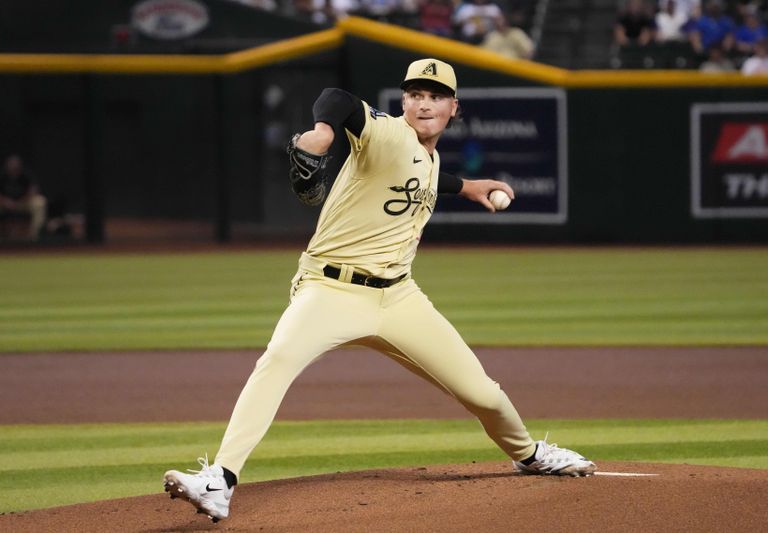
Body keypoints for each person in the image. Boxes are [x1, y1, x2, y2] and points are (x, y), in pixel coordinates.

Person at [162, 58, 597, 523]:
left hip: (399, 298)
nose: (423, 104)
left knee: (484, 394)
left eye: (435, 96)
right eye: (415, 95)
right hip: (331, 290)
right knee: (278, 362)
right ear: (404, 101)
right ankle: (219, 481)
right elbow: (339, 99)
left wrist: (466, 186)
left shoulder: (430, 159)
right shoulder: (388, 133)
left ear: (454, 107)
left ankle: (529, 454)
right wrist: (325, 133)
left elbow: (423, 178)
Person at [0, 154, 47, 241]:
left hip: (23, 203)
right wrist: (5, 202)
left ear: (20, 167)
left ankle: (35, 238)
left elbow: (33, 191)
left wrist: (21, 202)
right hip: (4, 204)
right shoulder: (1, 175)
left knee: (40, 202)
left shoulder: (26, 174)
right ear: (7, 166)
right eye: (11, 166)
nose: (14, 169)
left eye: (16, 167)